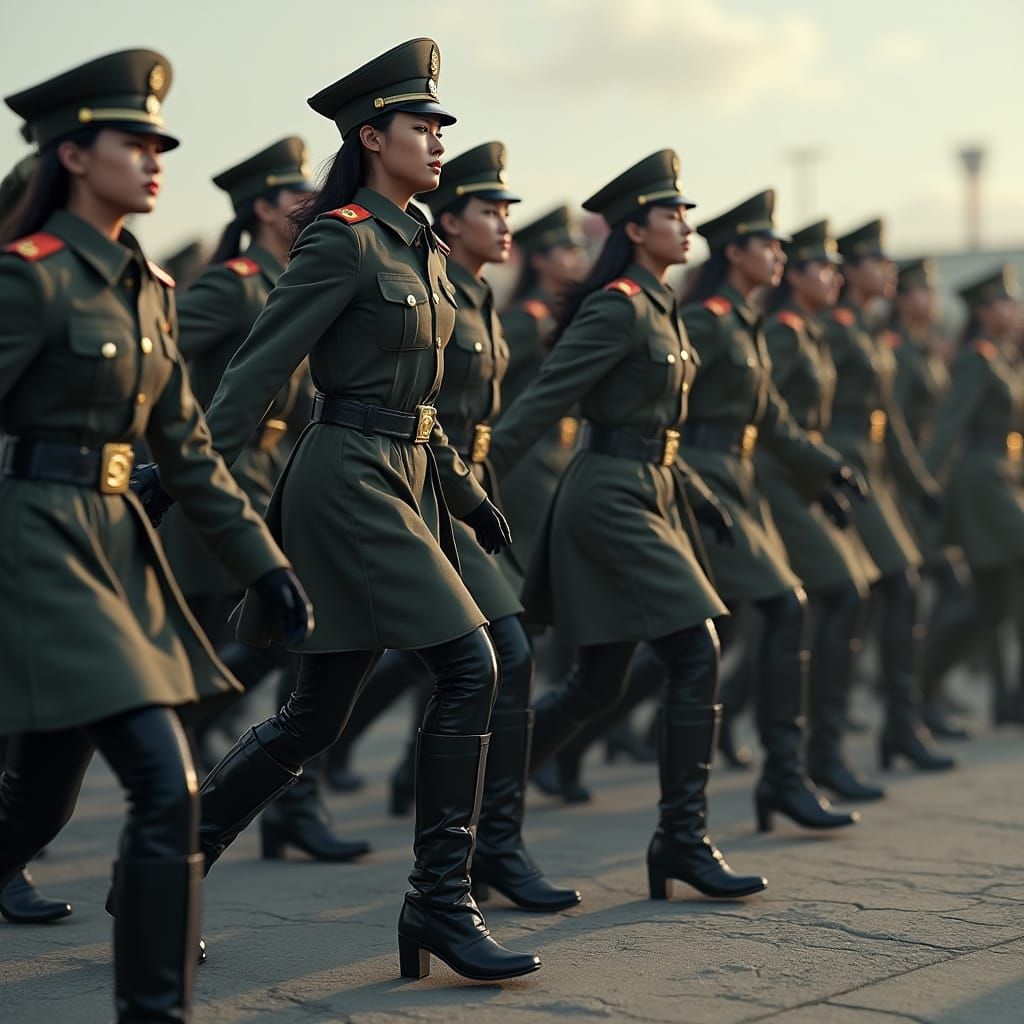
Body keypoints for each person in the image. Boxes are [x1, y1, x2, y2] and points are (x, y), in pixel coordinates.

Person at [133, 38, 541, 983]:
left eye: (442, 126)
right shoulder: (342, 237)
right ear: (372, 135)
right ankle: (441, 901)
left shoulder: (422, 243)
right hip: (347, 479)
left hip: (404, 473)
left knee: (316, 714)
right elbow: (257, 369)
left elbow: (422, 401)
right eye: (420, 125)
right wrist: (181, 474)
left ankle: (162, 869)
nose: (438, 140)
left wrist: (469, 495)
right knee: (470, 663)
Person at [0, 48, 310, 1021]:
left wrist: (266, 566)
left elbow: (188, 451)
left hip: (115, 547)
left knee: (44, 798)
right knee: (162, 778)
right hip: (36, 544)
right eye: (131, 141)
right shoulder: (31, 279)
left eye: (157, 142)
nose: (153, 156)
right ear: (73, 154)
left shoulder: (149, 288)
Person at [489, 149, 768, 901]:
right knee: (696, 650)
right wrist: (467, 482)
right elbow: (547, 397)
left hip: (652, 488)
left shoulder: (659, 303)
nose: (687, 224)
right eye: (672, 213)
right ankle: (682, 839)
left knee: (594, 684)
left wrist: (701, 498)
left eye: (685, 212)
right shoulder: (616, 304)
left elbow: (659, 428)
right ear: (636, 227)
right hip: (607, 497)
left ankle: (482, 809)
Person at [157, 137, 368, 861]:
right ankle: (159, 758)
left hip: (270, 470)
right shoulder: (232, 284)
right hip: (218, 478)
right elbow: (152, 360)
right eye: (290, 200)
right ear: (259, 209)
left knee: (279, 641)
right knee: (223, 646)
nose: (304, 209)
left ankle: (280, 803)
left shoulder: (296, 275)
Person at [675, 192, 864, 831]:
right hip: (702, 478)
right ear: (733, 252)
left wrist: (829, 468)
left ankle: (783, 776)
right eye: (768, 245)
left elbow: (774, 420)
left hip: (740, 478)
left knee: (710, 632)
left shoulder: (745, 320)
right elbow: (661, 406)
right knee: (768, 612)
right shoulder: (705, 319)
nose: (779, 255)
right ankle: (782, 778)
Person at [757, 220, 883, 801]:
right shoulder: (784, 332)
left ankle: (813, 755)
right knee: (828, 598)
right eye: (823, 267)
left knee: (821, 603)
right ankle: (804, 759)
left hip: (806, 475)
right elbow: (770, 424)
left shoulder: (804, 331)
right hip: (777, 480)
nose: (834, 275)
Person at [825, 219, 953, 771]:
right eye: (875, 263)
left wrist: (921, 485)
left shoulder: (869, 330)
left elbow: (890, 421)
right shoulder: (832, 328)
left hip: (870, 470)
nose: (887, 273)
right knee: (863, 596)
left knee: (893, 590)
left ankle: (898, 724)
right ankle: (825, 743)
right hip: (839, 469)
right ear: (849, 270)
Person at [925, 266, 1024, 725]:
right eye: (1005, 302)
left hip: (1003, 476)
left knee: (990, 602)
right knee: (996, 595)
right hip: (980, 482)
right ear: (984, 312)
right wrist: (925, 489)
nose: (1014, 308)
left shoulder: (1002, 356)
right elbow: (950, 424)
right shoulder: (975, 359)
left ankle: (925, 683)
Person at [888, 259, 972, 740]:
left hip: (924, 483)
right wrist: (920, 482)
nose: (932, 298)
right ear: (903, 298)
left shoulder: (921, 348)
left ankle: (920, 699)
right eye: (923, 290)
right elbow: (893, 428)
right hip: (906, 488)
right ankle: (913, 704)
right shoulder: (897, 351)